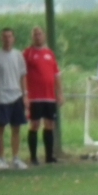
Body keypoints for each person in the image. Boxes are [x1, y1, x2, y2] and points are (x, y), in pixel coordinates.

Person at [0, 27, 28, 170]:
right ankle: (2, 159)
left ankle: (15, 158)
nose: (7, 39)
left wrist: (25, 95)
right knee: (0, 128)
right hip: (1, 97)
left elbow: (23, 75)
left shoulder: (18, 55)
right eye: (5, 37)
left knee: (16, 128)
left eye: (10, 36)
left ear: (13, 38)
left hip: (17, 96)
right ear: (1, 39)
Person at [23, 26, 63, 165]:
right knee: (34, 124)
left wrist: (60, 93)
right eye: (35, 34)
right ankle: (33, 157)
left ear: (44, 36)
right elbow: (22, 75)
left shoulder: (50, 53)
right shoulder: (27, 53)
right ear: (32, 37)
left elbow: (56, 74)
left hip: (49, 96)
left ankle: (49, 156)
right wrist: (25, 94)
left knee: (50, 124)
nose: (38, 37)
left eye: (40, 34)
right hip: (35, 96)